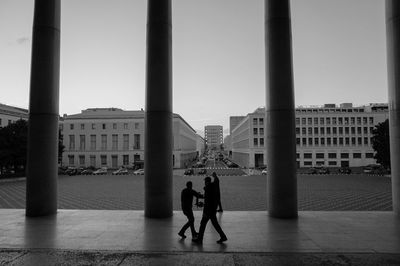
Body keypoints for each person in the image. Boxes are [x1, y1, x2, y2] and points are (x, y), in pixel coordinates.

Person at [192, 176, 227, 244]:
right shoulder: (212, 188)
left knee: (203, 224)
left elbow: (208, 201)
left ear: (206, 182)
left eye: (205, 181)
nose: (204, 183)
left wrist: (203, 205)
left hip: (208, 211)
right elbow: (208, 198)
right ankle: (223, 236)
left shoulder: (207, 188)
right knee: (215, 224)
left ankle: (200, 239)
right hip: (212, 210)